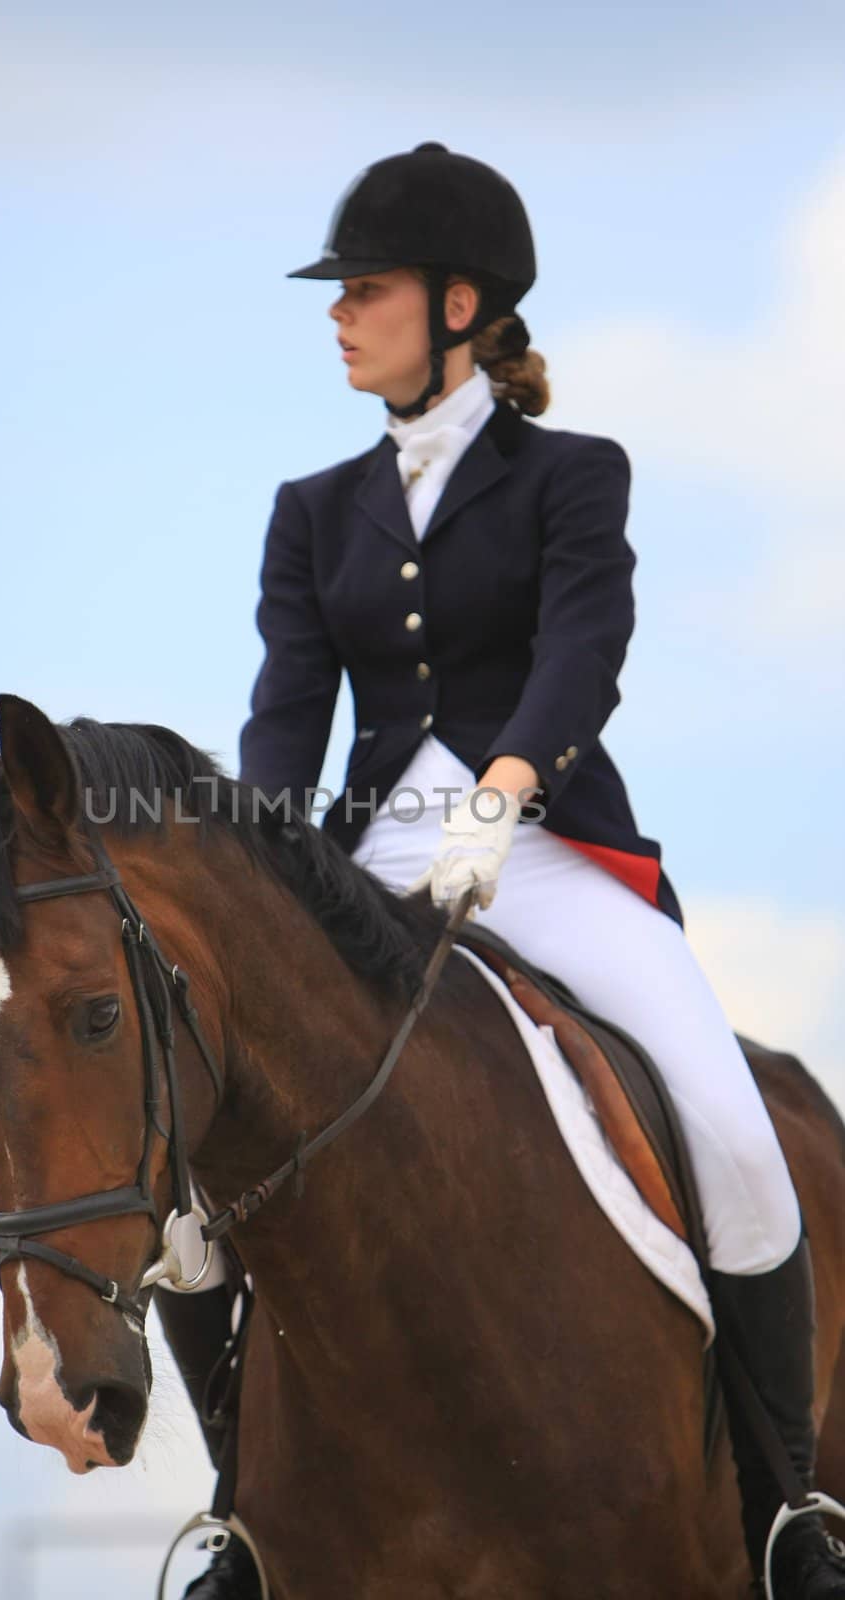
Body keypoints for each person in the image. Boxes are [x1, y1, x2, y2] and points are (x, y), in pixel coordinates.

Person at [158, 142, 845, 1599]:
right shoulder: (312, 509)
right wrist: (256, 866)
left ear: (459, 304)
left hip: (537, 848)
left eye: (368, 288)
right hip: (363, 870)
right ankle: (237, 1511)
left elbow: (583, 650)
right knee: (192, 1188)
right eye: (340, 290)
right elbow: (288, 711)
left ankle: (788, 1508)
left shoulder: (572, 478)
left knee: (730, 1122)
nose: (340, 313)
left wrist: (509, 786)